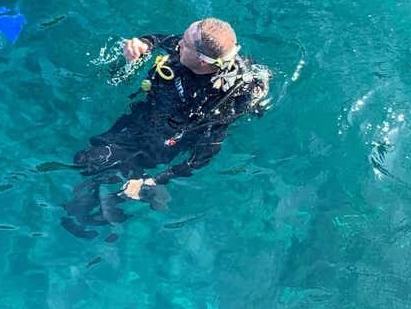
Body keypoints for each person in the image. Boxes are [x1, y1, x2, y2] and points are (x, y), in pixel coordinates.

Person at [62, 18, 270, 238]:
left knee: (104, 173)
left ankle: (139, 194)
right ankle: (109, 200)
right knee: (87, 161)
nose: (178, 42)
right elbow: (160, 39)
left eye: (185, 43)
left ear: (203, 61)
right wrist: (143, 43)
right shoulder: (188, 51)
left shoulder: (220, 101)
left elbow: (202, 156)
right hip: (144, 116)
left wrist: (157, 179)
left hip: (164, 140)